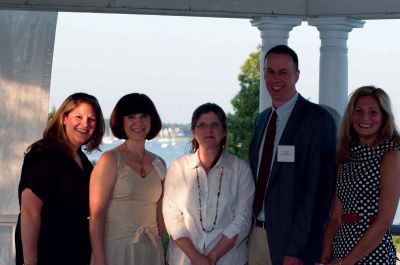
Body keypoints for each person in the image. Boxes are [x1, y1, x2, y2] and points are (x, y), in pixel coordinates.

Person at [248, 45, 337, 265]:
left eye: (283, 72)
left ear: (296, 76)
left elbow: (318, 192)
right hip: (255, 237)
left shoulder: (318, 120)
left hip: (292, 246)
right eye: (270, 71)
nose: (275, 78)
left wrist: (297, 249)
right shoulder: (261, 120)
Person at [15, 92, 105, 265]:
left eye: (91, 119)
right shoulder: (43, 153)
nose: (85, 124)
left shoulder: (82, 159)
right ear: (64, 118)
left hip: (75, 251)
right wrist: (30, 262)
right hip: (48, 252)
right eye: (78, 116)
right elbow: (29, 212)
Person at [162, 103, 255, 265]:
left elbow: (243, 219)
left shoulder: (241, 169)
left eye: (215, 125)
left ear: (224, 130)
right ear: (193, 131)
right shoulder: (178, 168)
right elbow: (172, 217)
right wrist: (196, 258)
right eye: (202, 125)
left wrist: (212, 257)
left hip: (229, 260)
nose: (208, 130)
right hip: (183, 260)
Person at [320, 86, 400, 264]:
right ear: (351, 116)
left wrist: (346, 262)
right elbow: (335, 217)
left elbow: (384, 222)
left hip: (373, 254)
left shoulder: (391, 155)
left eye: (373, 112)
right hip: (340, 250)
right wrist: (326, 255)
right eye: (359, 111)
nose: (365, 118)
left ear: (384, 117)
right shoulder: (346, 156)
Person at [89, 93, 166, 265]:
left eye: (144, 116)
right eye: (131, 116)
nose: (138, 122)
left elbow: (161, 213)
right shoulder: (110, 159)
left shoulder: (159, 163)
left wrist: (159, 247)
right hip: (115, 250)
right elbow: (96, 215)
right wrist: (99, 258)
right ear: (121, 122)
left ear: (152, 120)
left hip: (151, 251)